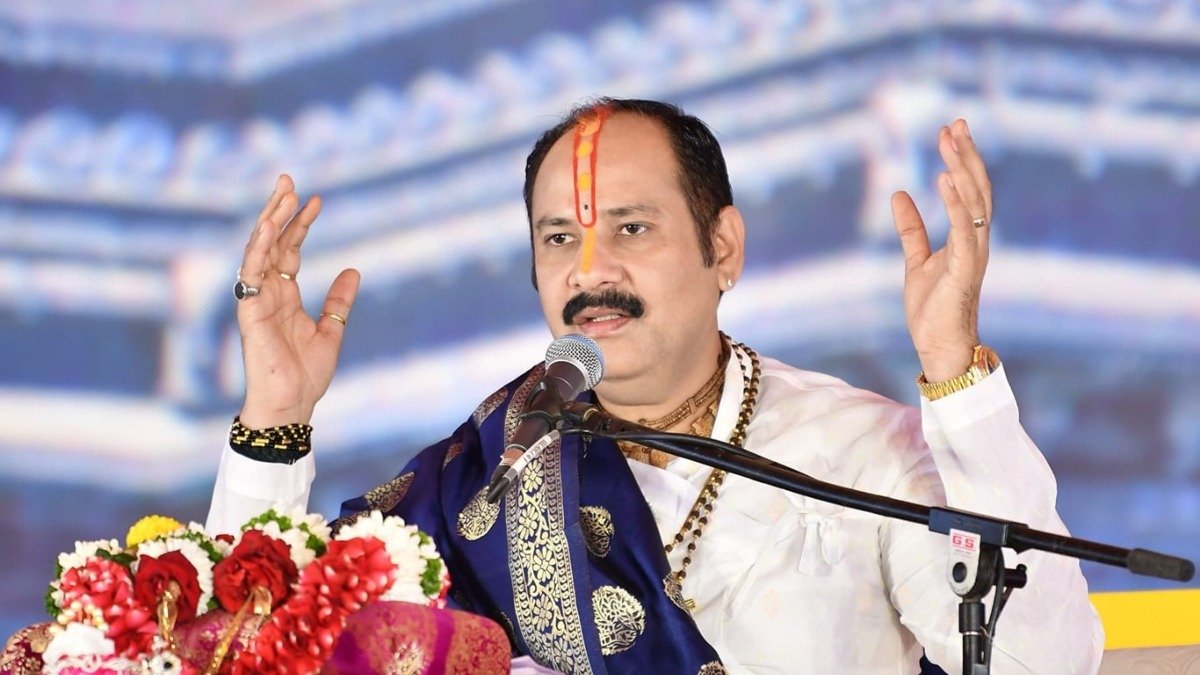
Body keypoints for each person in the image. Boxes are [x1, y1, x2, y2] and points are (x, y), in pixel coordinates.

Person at [207, 98, 1104, 674]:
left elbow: (1047, 664)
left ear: (723, 248)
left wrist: (955, 373)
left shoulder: (861, 450)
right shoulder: (491, 472)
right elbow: (244, 644)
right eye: (559, 238)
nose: (590, 270)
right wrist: (276, 414)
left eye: (631, 228)